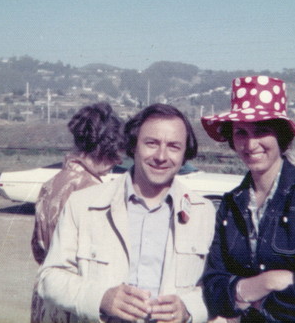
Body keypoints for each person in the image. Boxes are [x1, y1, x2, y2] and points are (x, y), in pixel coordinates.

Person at [37, 103, 216, 323]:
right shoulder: (83, 204)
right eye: (151, 143)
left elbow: (216, 287)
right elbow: (49, 278)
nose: (161, 156)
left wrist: (188, 309)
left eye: (173, 146)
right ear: (133, 146)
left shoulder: (204, 214)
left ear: (184, 153)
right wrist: (100, 299)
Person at [200, 75, 295, 322]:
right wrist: (265, 282)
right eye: (241, 133)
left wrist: (244, 300)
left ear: (280, 135)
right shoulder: (230, 203)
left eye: (262, 131)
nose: (251, 143)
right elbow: (212, 288)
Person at [31, 102, 125, 323]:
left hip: (47, 299)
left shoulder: (50, 184)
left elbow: (37, 249)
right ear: (105, 148)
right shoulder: (93, 191)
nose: (119, 160)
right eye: (116, 153)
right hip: (77, 303)